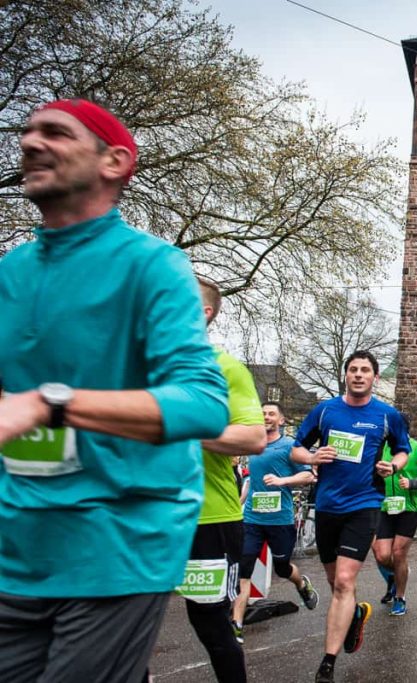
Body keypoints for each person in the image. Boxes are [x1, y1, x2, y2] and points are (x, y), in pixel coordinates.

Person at [0, 99, 229, 682]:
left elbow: (203, 402)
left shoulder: (153, 267)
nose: (30, 142)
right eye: (28, 131)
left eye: (55, 133)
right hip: (19, 544)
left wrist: (51, 405)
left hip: (118, 542)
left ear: (114, 161)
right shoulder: (12, 272)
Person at [291, 350, 410, 683]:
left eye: (365, 370)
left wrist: (394, 465)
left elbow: (404, 449)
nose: (359, 375)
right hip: (328, 506)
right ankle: (355, 613)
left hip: (364, 504)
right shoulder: (326, 410)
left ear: (374, 377)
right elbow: (296, 447)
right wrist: (313, 455)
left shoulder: (386, 415)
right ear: (347, 375)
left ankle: (327, 665)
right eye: (353, 370)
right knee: (334, 583)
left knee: (345, 580)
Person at [184, 279, 268, 683]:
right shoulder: (135, 365)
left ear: (204, 312)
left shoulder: (225, 367)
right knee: (124, 625)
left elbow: (253, 438)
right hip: (139, 516)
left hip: (207, 517)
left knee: (210, 623)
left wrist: (175, 427)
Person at [231, 402, 318, 643]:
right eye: (262, 414)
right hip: (252, 519)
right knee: (243, 570)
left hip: (280, 520)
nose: (266, 417)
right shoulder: (253, 446)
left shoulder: (289, 445)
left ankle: (302, 584)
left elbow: (309, 475)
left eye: (271, 413)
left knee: (282, 567)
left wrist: (283, 481)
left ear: (281, 420)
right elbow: (251, 481)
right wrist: (239, 502)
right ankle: (236, 624)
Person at [372, 421, 417, 617]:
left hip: (409, 508)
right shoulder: (382, 448)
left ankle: (400, 597)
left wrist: (413, 482)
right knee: (381, 554)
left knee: (398, 553)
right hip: (386, 506)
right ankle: (398, 574)